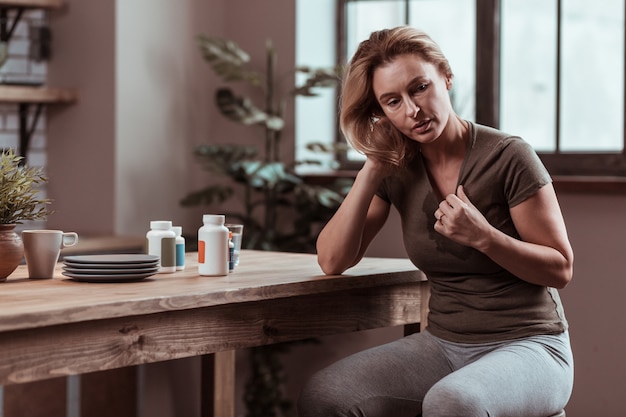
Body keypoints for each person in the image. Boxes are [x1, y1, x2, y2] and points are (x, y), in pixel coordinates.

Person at [297, 26, 574, 417]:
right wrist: (373, 167)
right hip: (444, 345)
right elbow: (333, 260)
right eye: (393, 101)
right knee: (325, 395)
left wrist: (485, 238)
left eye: (420, 88)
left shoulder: (508, 156)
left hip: (531, 345)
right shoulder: (397, 168)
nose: (412, 110)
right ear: (382, 113)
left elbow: (560, 268)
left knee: (451, 403)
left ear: (446, 76)